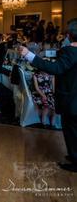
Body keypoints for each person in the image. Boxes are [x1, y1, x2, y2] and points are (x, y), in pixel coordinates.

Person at [19, 18, 77, 173]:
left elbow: (56, 68)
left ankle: (75, 160)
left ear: (70, 34)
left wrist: (29, 55)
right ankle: (74, 156)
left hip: (72, 98)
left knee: (71, 129)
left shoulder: (71, 51)